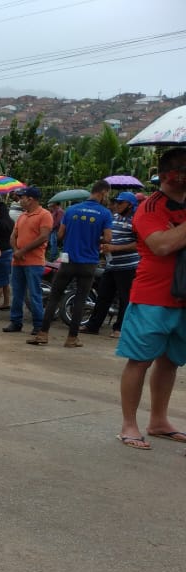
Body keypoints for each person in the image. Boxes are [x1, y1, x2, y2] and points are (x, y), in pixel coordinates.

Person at [115, 147, 186, 450]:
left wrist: (178, 233)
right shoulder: (150, 208)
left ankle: (159, 420)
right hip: (153, 296)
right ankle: (129, 425)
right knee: (140, 360)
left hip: (183, 297)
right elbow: (161, 245)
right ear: (172, 174)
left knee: (170, 362)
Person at [28, 180, 112, 347]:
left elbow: (59, 235)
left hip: (68, 261)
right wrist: (95, 238)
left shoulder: (71, 210)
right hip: (88, 263)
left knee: (54, 297)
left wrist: (74, 237)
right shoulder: (105, 213)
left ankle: (43, 334)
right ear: (103, 193)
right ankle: (72, 338)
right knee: (80, 299)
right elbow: (108, 239)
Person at [81, 191, 139, 338]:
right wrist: (103, 243)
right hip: (111, 264)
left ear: (130, 205)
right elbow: (108, 237)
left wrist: (115, 248)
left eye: (120, 203)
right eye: (116, 202)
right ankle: (93, 325)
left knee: (125, 298)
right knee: (103, 296)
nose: (117, 205)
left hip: (127, 266)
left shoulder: (137, 220)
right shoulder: (113, 217)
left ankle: (119, 328)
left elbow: (140, 244)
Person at [4, 187, 53, 334]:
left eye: (22, 197)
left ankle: (39, 325)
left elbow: (44, 237)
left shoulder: (45, 215)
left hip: (34, 261)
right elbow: (13, 236)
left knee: (34, 294)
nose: (20, 200)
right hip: (18, 260)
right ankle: (16, 321)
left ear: (30, 199)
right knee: (17, 293)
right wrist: (16, 251)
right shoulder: (22, 216)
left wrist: (22, 251)